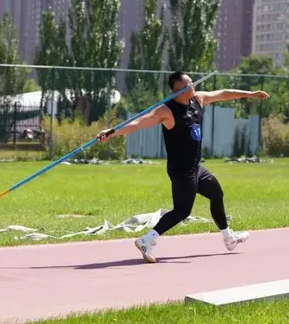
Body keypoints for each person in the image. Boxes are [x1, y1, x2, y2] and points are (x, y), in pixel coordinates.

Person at [96, 71, 270, 263]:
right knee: (182, 211)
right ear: (178, 91)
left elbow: (223, 93)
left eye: (192, 83)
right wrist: (112, 132)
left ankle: (229, 238)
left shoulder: (197, 99)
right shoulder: (166, 111)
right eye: (189, 85)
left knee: (216, 193)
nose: (193, 86)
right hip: (181, 170)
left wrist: (250, 94)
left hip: (195, 167)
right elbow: (138, 123)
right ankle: (146, 240)